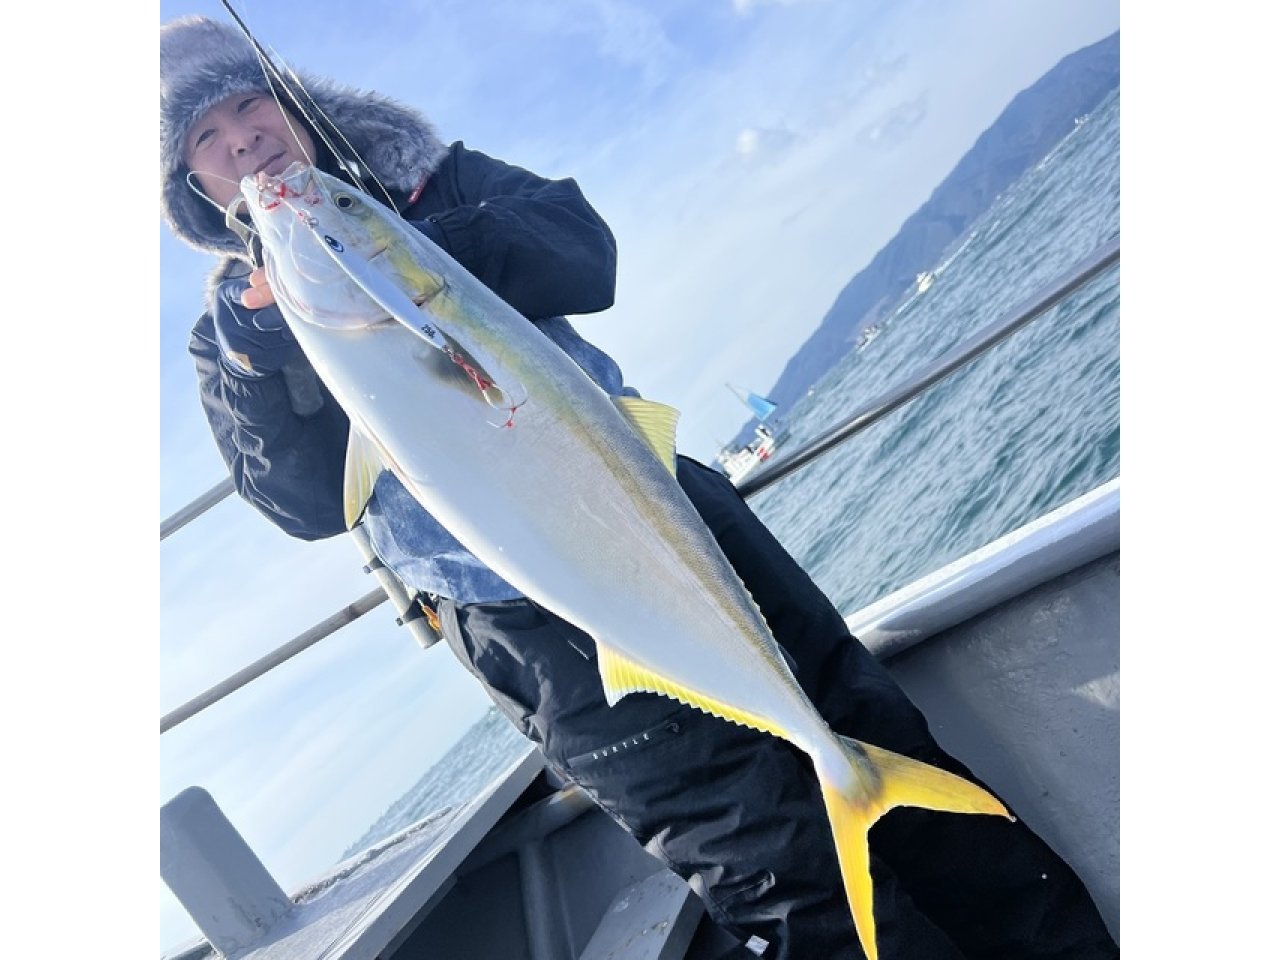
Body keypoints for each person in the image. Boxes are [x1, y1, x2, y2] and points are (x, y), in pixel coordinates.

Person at [161, 15, 1119, 960]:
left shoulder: (424, 179)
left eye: (249, 103)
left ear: (289, 98)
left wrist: (409, 246)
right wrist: (256, 354)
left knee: (875, 734)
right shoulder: (230, 336)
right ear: (190, 182)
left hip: (661, 512)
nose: (241, 138)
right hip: (526, 618)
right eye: (206, 135)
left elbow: (585, 252)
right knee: (775, 874)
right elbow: (293, 499)